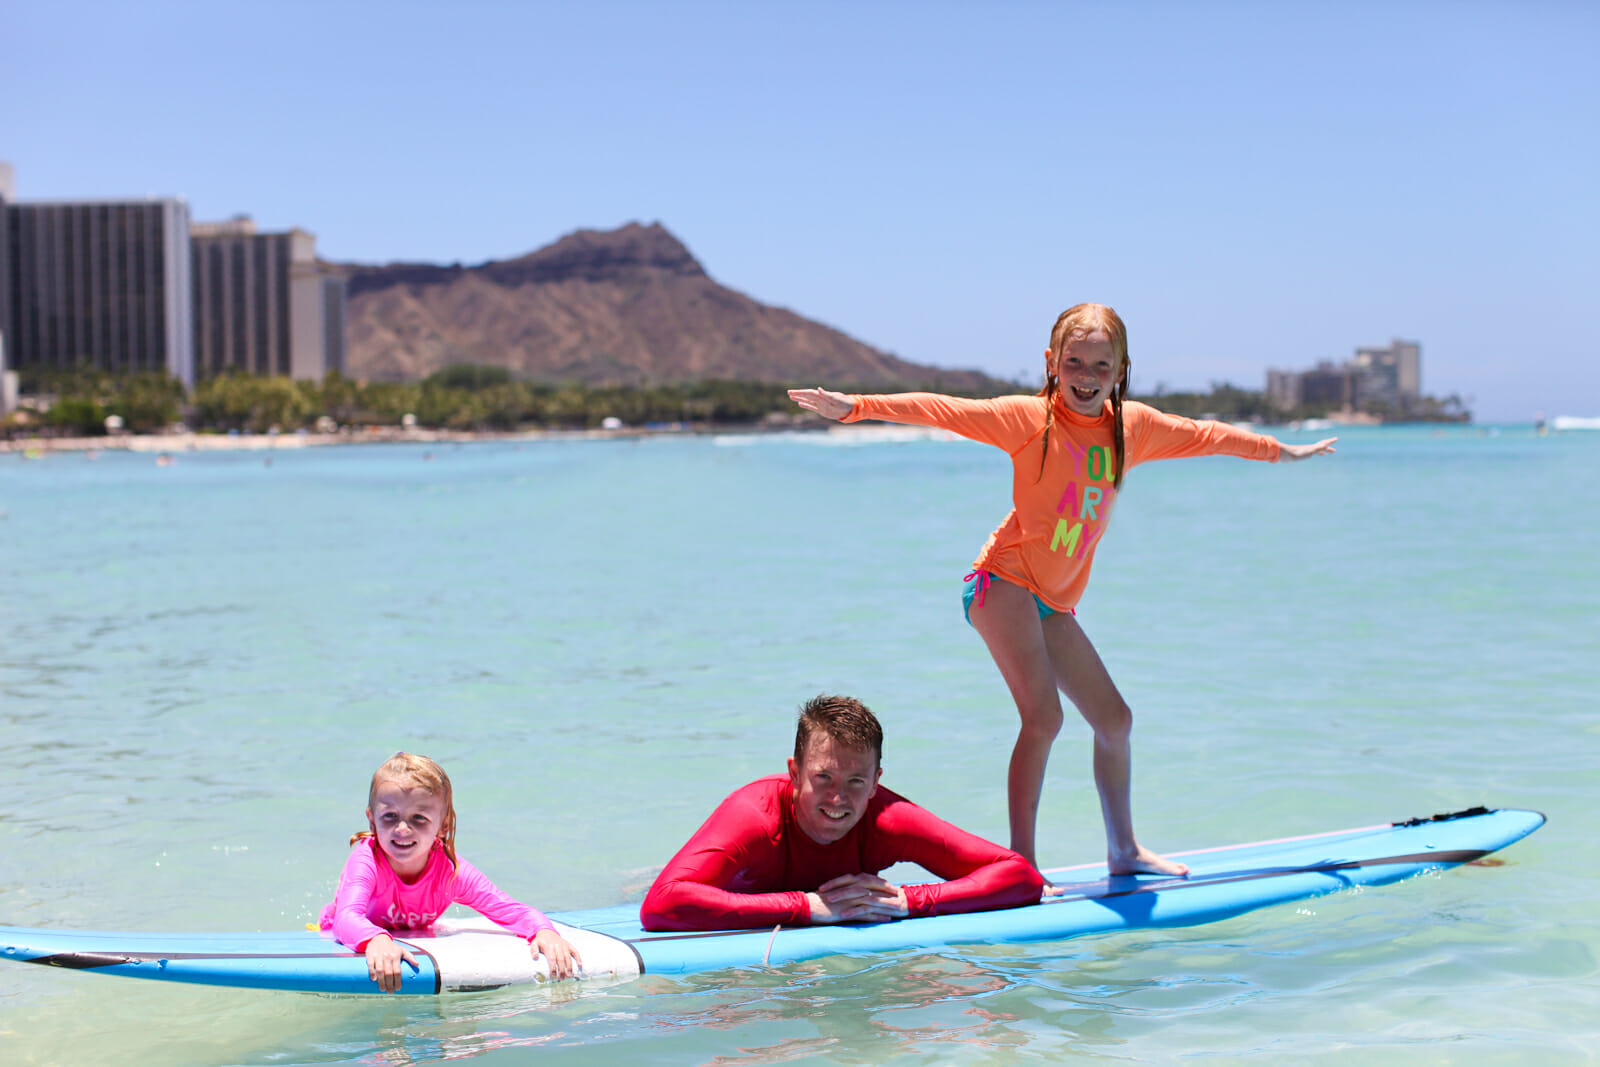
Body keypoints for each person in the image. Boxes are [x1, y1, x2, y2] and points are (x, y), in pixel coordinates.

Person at [788, 303, 1336, 879]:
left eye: (1102, 364)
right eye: (1074, 361)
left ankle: (1123, 850)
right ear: (1052, 363)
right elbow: (946, 410)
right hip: (1000, 582)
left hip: (1052, 600)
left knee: (1115, 720)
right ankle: (1021, 865)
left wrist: (1282, 450)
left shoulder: (1134, 428)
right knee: (1044, 718)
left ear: (1122, 369)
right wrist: (856, 409)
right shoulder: (1030, 420)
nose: (1087, 375)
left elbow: (1207, 436)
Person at [641, 695, 1045, 931]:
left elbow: (1020, 875)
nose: (838, 799)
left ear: (875, 782)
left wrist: (908, 901)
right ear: (794, 773)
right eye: (823, 777)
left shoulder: (886, 817)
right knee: (643, 883)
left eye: (855, 781)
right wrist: (805, 908)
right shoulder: (755, 817)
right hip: (733, 886)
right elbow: (660, 905)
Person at [320, 751, 581, 992]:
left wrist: (543, 931)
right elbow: (345, 919)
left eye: (419, 818)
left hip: (406, 937)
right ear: (371, 819)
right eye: (389, 816)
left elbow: (510, 910)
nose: (401, 828)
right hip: (350, 936)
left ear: (443, 826)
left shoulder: (450, 872)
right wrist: (376, 940)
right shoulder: (367, 861)